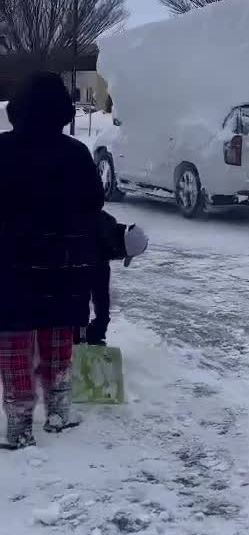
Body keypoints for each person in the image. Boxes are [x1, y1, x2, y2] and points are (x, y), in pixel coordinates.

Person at [0, 72, 104, 448]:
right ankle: (59, 411)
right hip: (64, 263)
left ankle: (19, 423)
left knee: (13, 342)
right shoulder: (75, 152)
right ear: (61, 111)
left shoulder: (1, 149)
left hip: (10, 262)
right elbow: (95, 203)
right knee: (57, 335)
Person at [84, 211, 149, 345]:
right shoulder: (96, 241)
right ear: (121, 249)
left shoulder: (107, 238)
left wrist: (101, 324)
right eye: (122, 256)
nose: (119, 259)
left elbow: (101, 292)